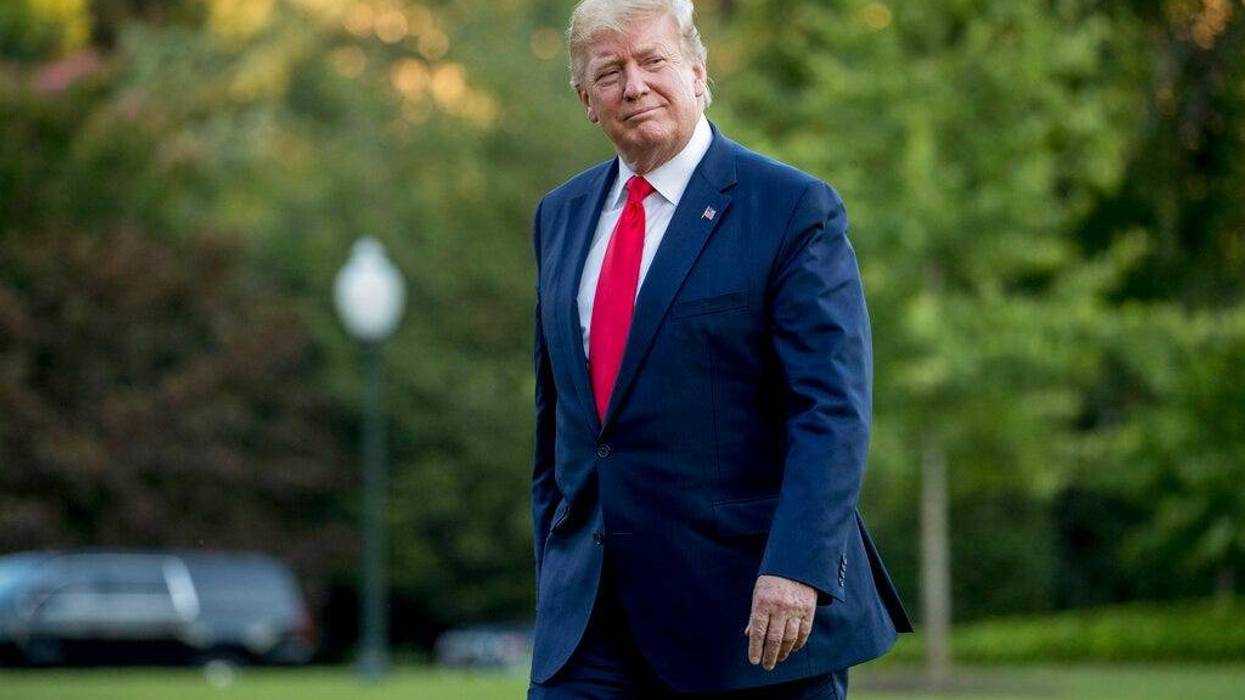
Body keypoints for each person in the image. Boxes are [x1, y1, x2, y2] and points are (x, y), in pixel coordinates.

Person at [528, 1, 913, 697]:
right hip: (589, 624)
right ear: (586, 100)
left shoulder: (790, 208)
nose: (634, 86)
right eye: (609, 72)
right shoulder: (560, 216)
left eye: (653, 61)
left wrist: (797, 567)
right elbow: (557, 418)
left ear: (698, 73)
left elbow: (831, 409)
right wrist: (553, 561)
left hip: (750, 621)